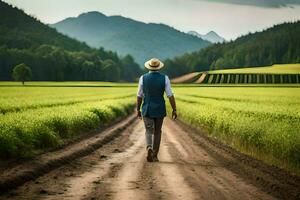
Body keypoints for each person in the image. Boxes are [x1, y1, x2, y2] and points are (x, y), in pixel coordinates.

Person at [136, 58, 177, 162]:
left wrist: (138, 109)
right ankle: (154, 154)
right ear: (159, 67)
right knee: (157, 131)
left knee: (148, 130)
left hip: (147, 108)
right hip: (159, 108)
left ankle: (149, 147)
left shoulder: (143, 78)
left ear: (149, 67)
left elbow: (139, 95)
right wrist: (174, 109)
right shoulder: (165, 78)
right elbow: (170, 95)